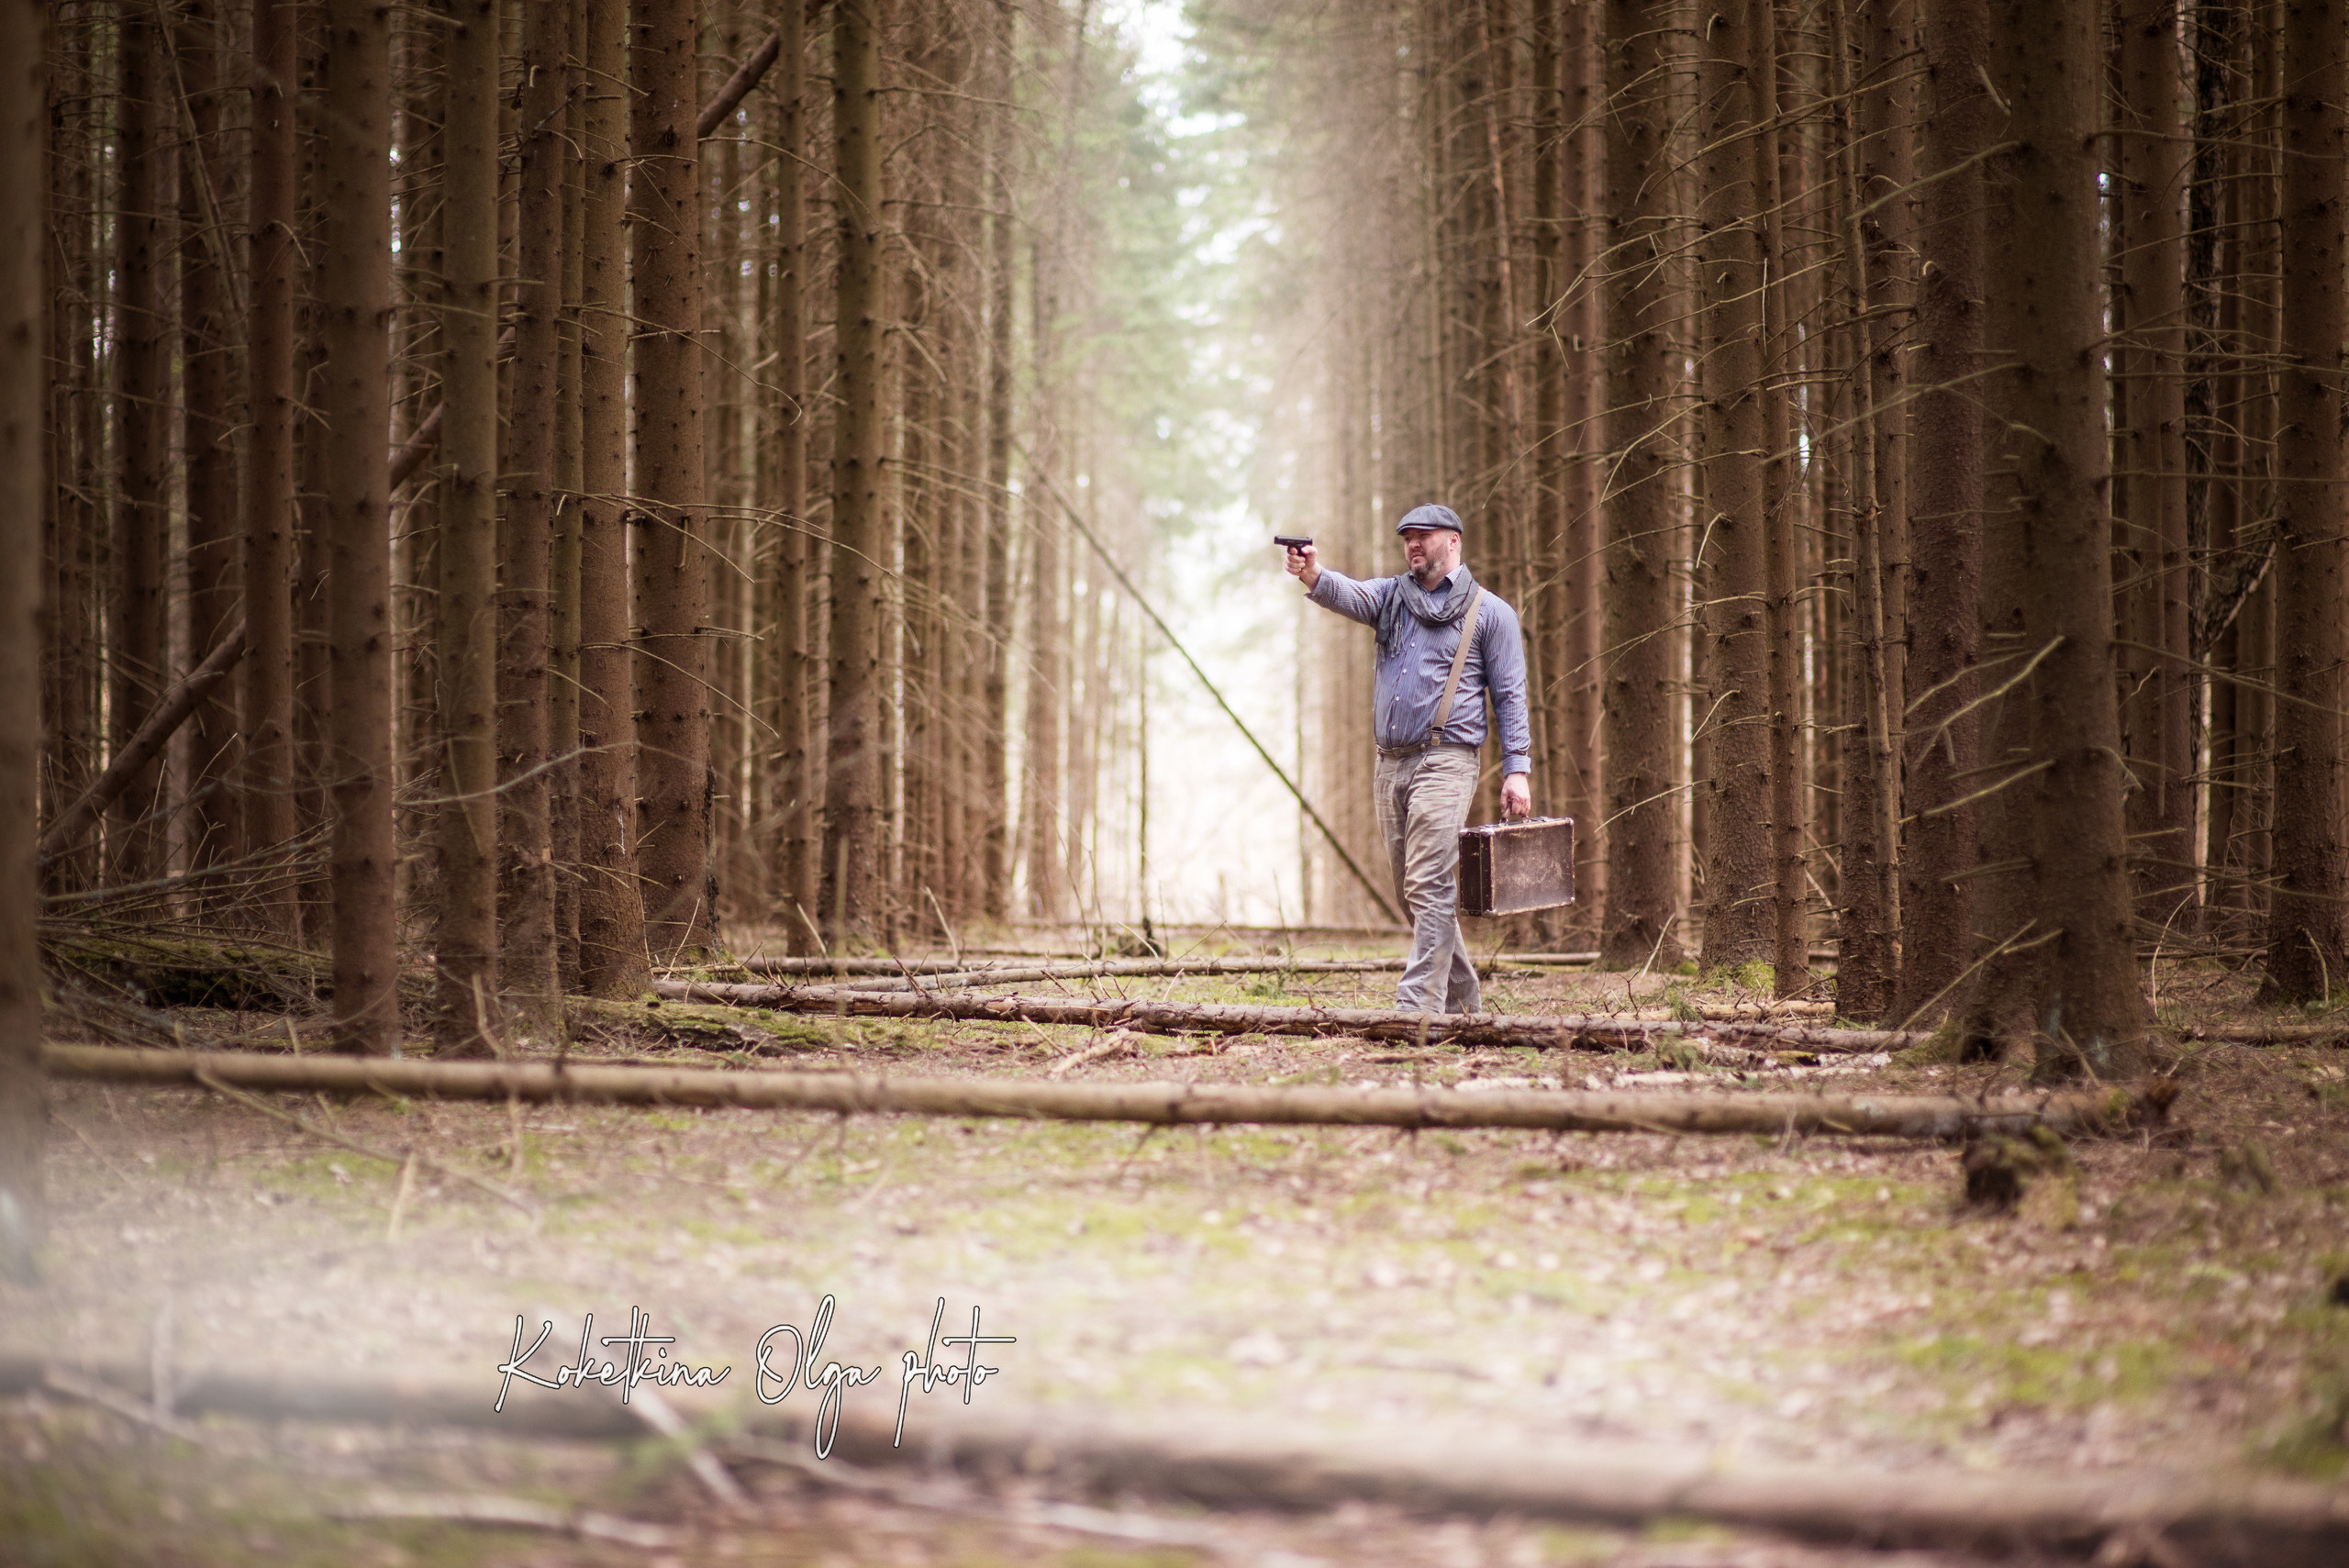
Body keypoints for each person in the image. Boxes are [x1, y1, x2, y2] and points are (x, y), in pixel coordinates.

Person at [1285, 503, 1531, 1014]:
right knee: (1413, 892)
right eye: (1407, 538)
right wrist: (1311, 571)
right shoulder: (1392, 597)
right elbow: (1346, 592)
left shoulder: (1492, 612)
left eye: (1424, 536)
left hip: (1447, 760)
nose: (1413, 544)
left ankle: (1416, 1005)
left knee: (1427, 882)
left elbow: (1510, 696)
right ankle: (1465, 1005)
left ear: (1455, 541)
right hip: (1389, 764)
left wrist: (1518, 769)